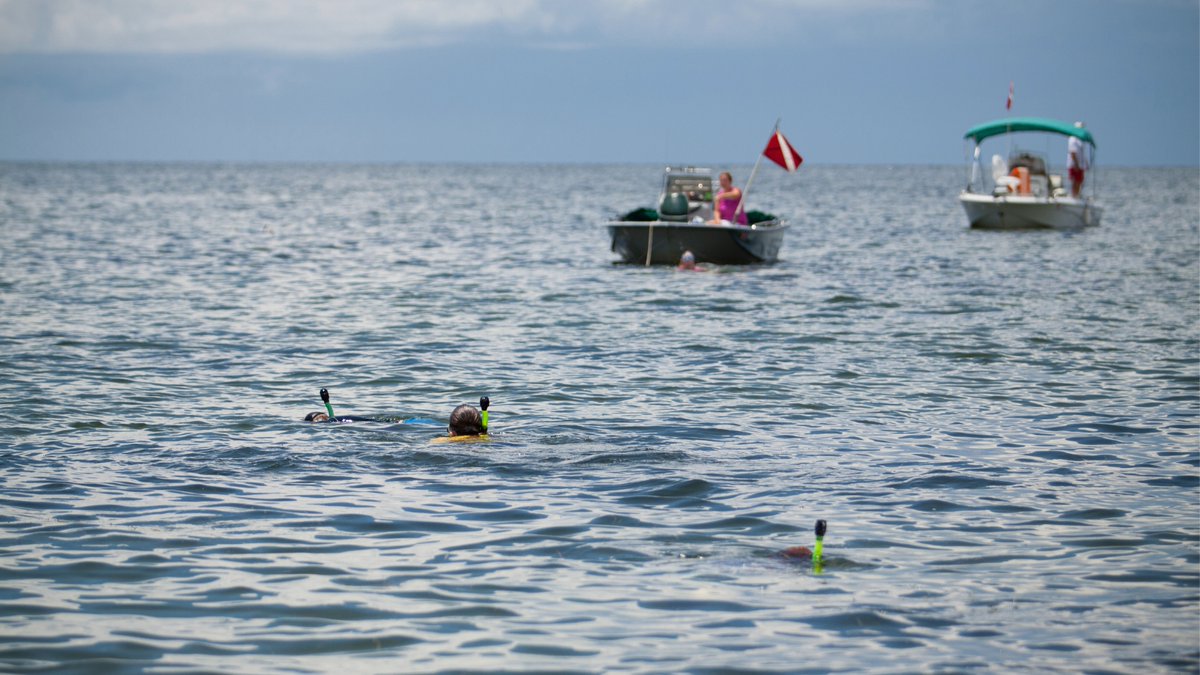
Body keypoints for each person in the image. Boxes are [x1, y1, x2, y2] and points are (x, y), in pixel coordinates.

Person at [1067, 122, 1089, 198]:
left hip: (1080, 165)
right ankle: (1074, 195)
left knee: (1079, 181)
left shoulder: (1080, 140)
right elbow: (1072, 153)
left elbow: (1082, 153)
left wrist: (1085, 163)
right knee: (1075, 182)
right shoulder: (1073, 139)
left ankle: (1077, 195)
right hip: (1074, 165)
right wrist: (1076, 165)